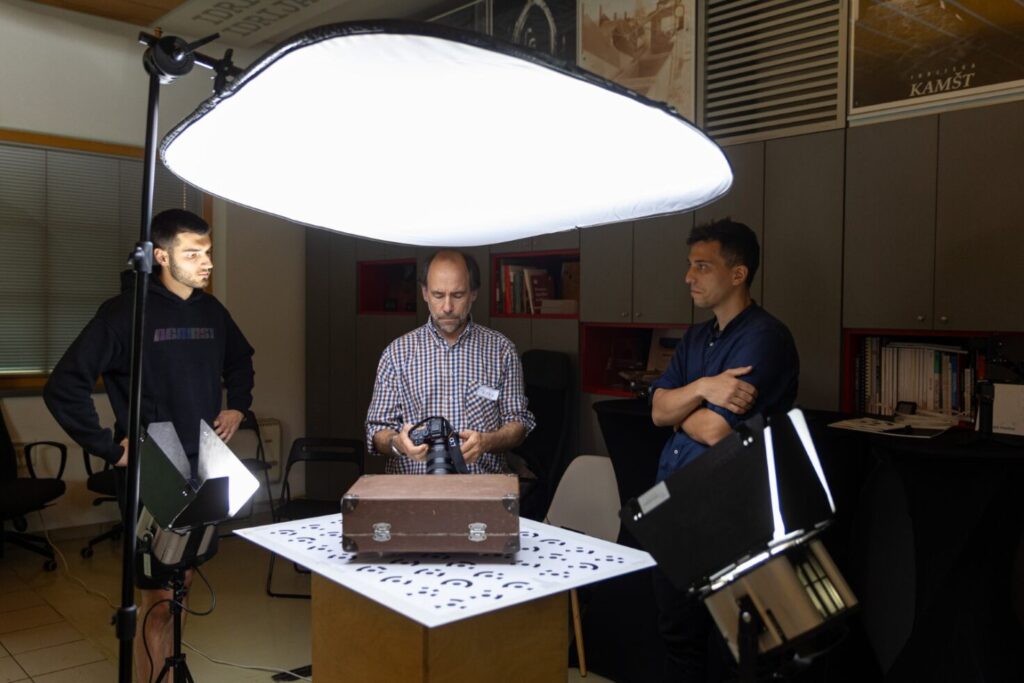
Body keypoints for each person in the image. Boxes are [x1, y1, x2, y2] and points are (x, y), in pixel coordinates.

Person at [44, 208, 255, 682]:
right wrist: (109, 447)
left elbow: (241, 360)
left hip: (204, 462)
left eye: (208, 252)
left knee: (184, 584)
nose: (207, 263)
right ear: (161, 256)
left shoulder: (211, 311)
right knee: (157, 598)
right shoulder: (125, 313)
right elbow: (64, 385)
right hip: (154, 465)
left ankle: (167, 672)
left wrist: (237, 407)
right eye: (193, 254)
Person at [649, 218, 799, 682]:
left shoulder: (764, 338)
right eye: (689, 265)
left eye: (702, 266)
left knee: (732, 650)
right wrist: (704, 387)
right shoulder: (696, 337)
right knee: (677, 638)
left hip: (729, 518)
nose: (688, 277)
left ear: (738, 274)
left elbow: (715, 430)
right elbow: (656, 410)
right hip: (674, 509)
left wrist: (681, 408)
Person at [365, 249, 535, 473]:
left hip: (480, 485)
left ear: (473, 293)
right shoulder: (396, 354)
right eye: (438, 295)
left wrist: (487, 442)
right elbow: (377, 430)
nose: (447, 307)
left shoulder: (501, 351)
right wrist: (398, 443)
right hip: (413, 487)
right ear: (425, 293)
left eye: (457, 295)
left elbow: (518, 423)